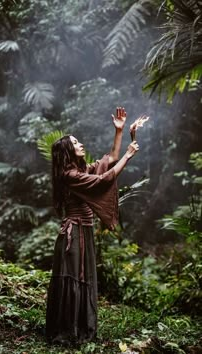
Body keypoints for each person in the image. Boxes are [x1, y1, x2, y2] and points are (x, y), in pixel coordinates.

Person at [46, 107, 139, 345]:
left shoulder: (79, 170)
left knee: (83, 277)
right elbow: (102, 180)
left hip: (83, 230)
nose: (80, 144)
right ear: (68, 150)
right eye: (75, 143)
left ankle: (79, 327)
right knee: (74, 278)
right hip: (73, 232)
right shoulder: (69, 175)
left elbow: (108, 162)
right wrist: (128, 156)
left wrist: (118, 132)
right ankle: (68, 330)